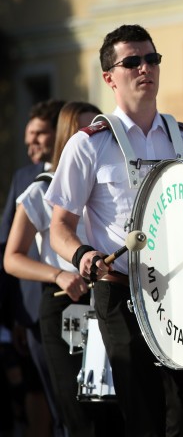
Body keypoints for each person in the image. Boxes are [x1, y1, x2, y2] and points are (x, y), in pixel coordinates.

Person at [46, 24, 183, 437]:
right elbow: (59, 227)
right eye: (133, 61)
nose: (145, 68)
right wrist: (83, 254)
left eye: (152, 59)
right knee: (143, 415)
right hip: (121, 289)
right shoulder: (88, 144)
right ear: (109, 77)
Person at [4, 101, 125, 437]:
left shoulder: (108, 187)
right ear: (65, 138)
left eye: (100, 131)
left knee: (115, 412)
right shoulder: (40, 190)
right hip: (64, 305)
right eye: (83, 130)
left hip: (108, 301)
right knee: (79, 415)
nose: (92, 138)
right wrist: (58, 274)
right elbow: (12, 257)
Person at [0, 99, 66, 437]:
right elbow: (8, 250)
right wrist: (15, 317)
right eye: (28, 137)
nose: (32, 143)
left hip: (82, 306)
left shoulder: (83, 169)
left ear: (60, 132)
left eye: (39, 134)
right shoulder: (26, 178)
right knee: (43, 399)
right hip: (34, 311)